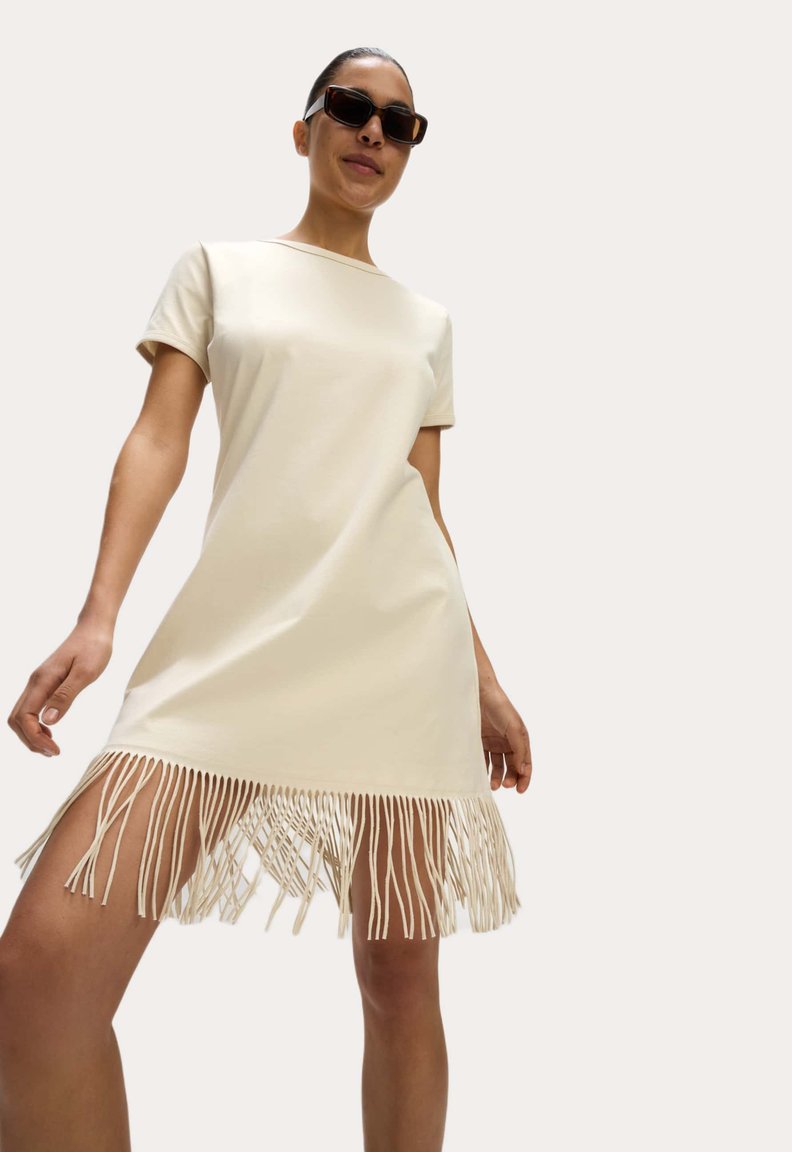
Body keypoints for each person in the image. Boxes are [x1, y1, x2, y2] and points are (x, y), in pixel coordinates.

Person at [0, 46, 531, 1151]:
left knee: (398, 983)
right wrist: (99, 616)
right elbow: (157, 439)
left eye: (399, 122)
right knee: (37, 978)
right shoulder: (218, 271)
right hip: (233, 651)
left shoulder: (424, 324)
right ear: (303, 130)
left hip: (399, 661)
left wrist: (483, 682)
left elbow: (425, 514)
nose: (373, 132)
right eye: (350, 107)